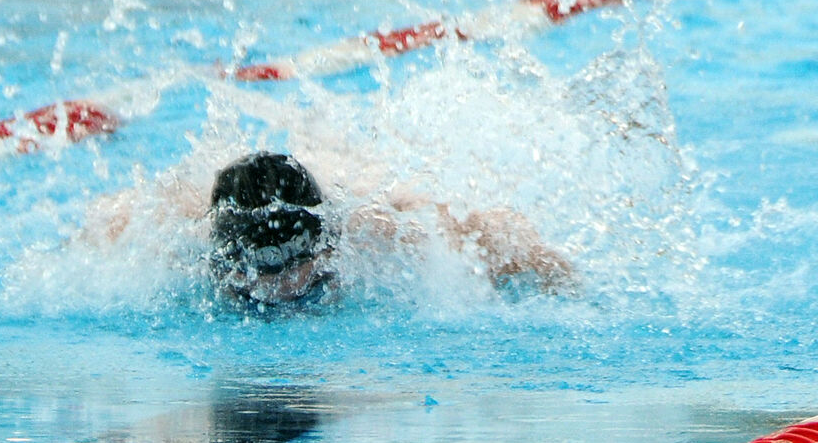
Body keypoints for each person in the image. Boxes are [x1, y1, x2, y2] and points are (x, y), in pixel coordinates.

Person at [85, 151, 575, 305]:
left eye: (300, 261)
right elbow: (104, 223)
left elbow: (485, 232)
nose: (288, 285)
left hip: (347, 175)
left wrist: (554, 272)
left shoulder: (380, 228)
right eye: (267, 268)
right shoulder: (176, 244)